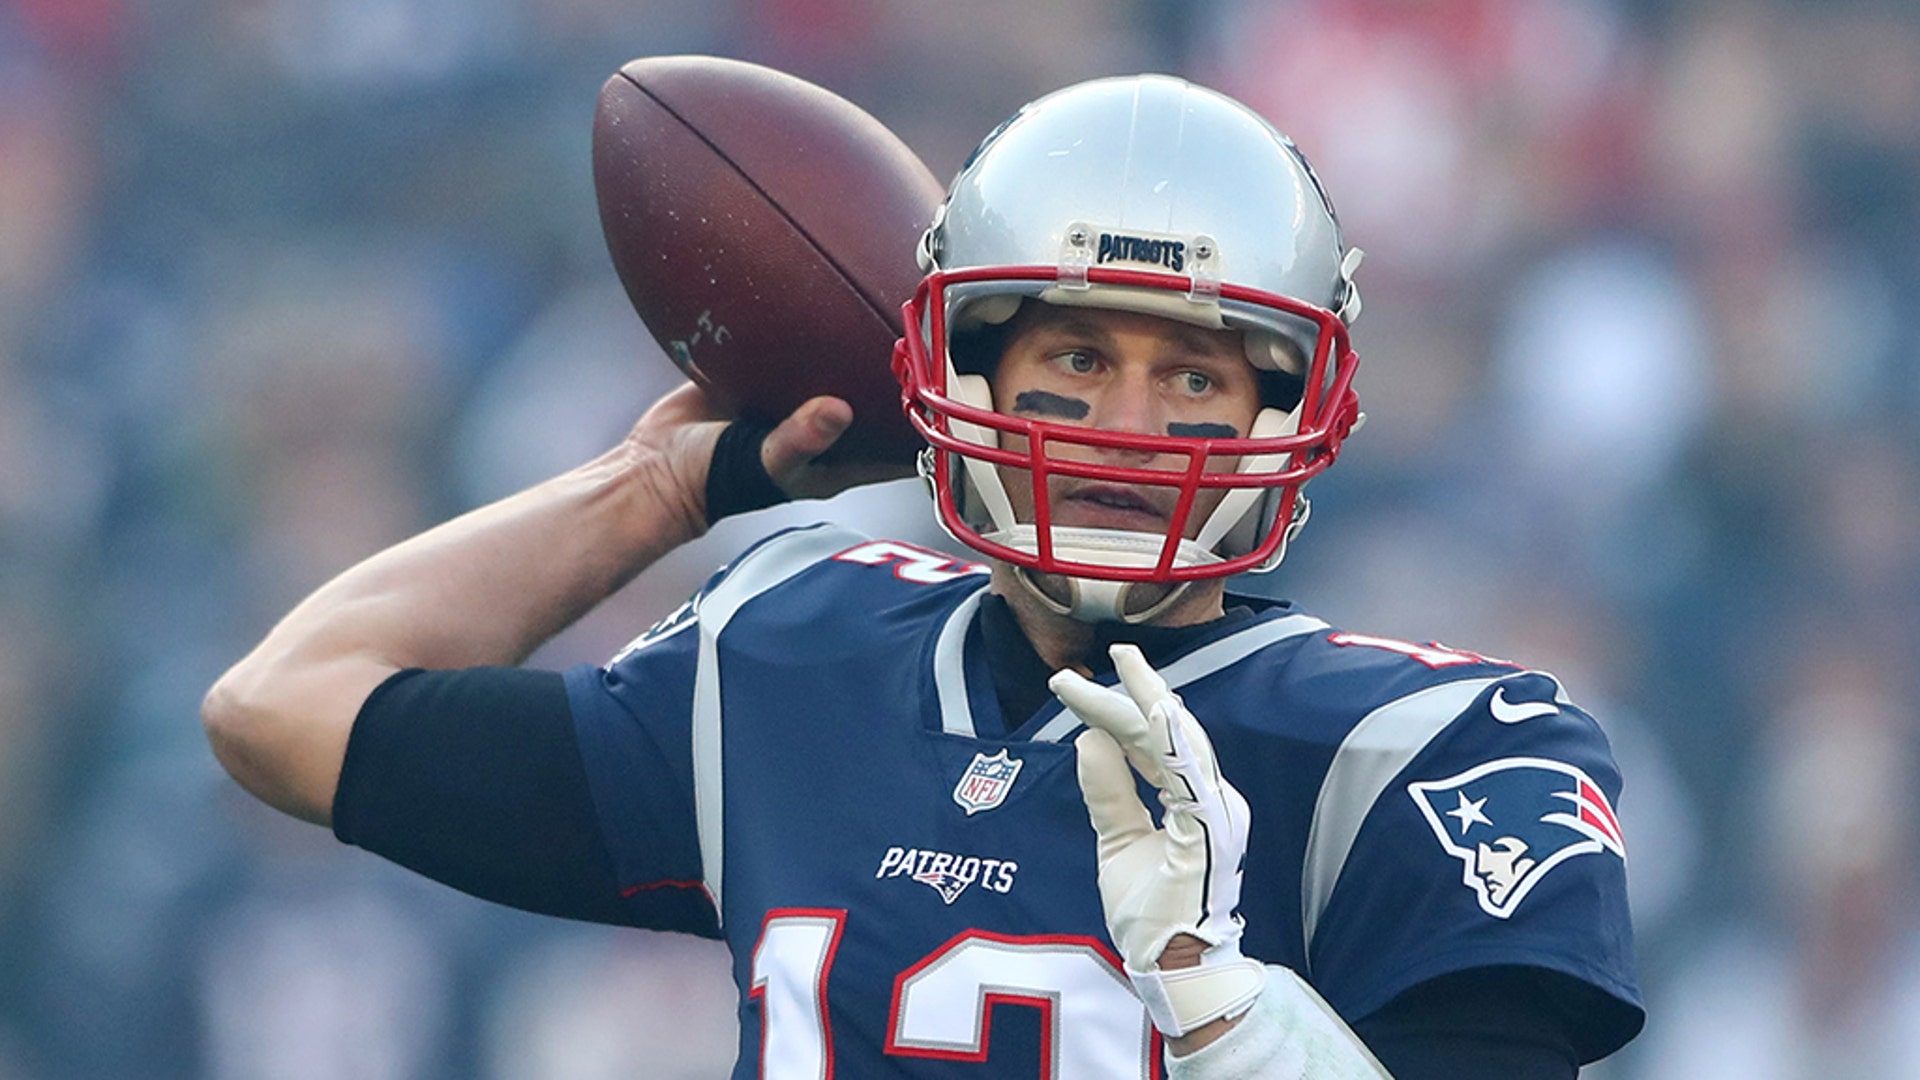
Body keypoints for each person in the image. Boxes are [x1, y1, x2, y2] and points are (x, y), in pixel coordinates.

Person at [203, 73, 1643, 1077]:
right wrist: (658, 489)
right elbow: (286, 705)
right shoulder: (789, 658)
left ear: (1288, 413)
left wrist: (1227, 1017)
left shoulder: (1417, 756)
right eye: (1077, 356)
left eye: (1192, 372)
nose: (1130, 429)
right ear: (954, 369)